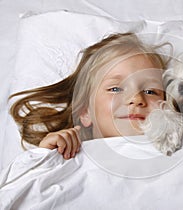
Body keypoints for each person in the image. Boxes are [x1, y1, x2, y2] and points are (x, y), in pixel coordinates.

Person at [9, 32, 168, 159]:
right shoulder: (65, 158)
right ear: (85, 112)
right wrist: (43, 158)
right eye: (115, 89)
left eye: (150, 91)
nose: (136, 99)